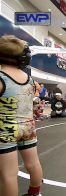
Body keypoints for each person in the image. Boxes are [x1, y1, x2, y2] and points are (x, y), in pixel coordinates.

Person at [0, 35, 43, 196]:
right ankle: (35, 193)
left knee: (8, 174)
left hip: (6, 128)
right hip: (28, 126)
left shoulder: (1, 76)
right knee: (33, 164)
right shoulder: (29, 79)